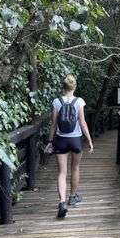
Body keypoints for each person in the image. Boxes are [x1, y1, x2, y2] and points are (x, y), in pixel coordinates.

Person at [45, 74, 93, 218]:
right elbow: (83, 123)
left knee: (62, 172)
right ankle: (73, 196)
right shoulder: (79, 101)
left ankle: (62, 202)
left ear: (63, 87)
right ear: (74, 87)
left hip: (61, 140)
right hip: (76, 140)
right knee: (75, 168)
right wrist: (89, 140)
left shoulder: (56, 102)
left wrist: (50, 141)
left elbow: (53, 124)